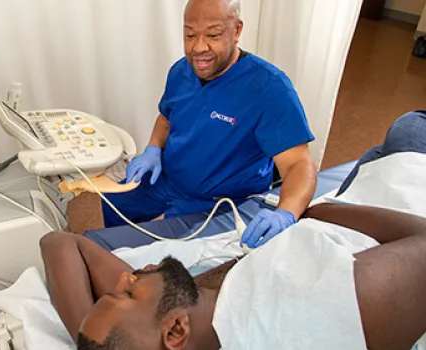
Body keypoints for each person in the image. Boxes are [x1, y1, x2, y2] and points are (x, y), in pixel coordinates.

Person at [41, 202, 426, 350]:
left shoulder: (195, 312)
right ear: (175, 331)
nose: (125, 278)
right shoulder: (335, 299)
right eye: (127, 294)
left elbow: (59, 243)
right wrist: (311, 212)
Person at [103, 0, 317, 249]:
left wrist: (286, 213)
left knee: (167, 257)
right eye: (190, 35)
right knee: (113, 202)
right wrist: (153, 149)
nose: (199, 47)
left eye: (213, 35)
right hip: (168, 179)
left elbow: (299, 164)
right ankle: (116, 253)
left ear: (236, 31)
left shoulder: (269, 88)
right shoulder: (181, 72)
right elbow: (166, 118)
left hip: (219, 202)